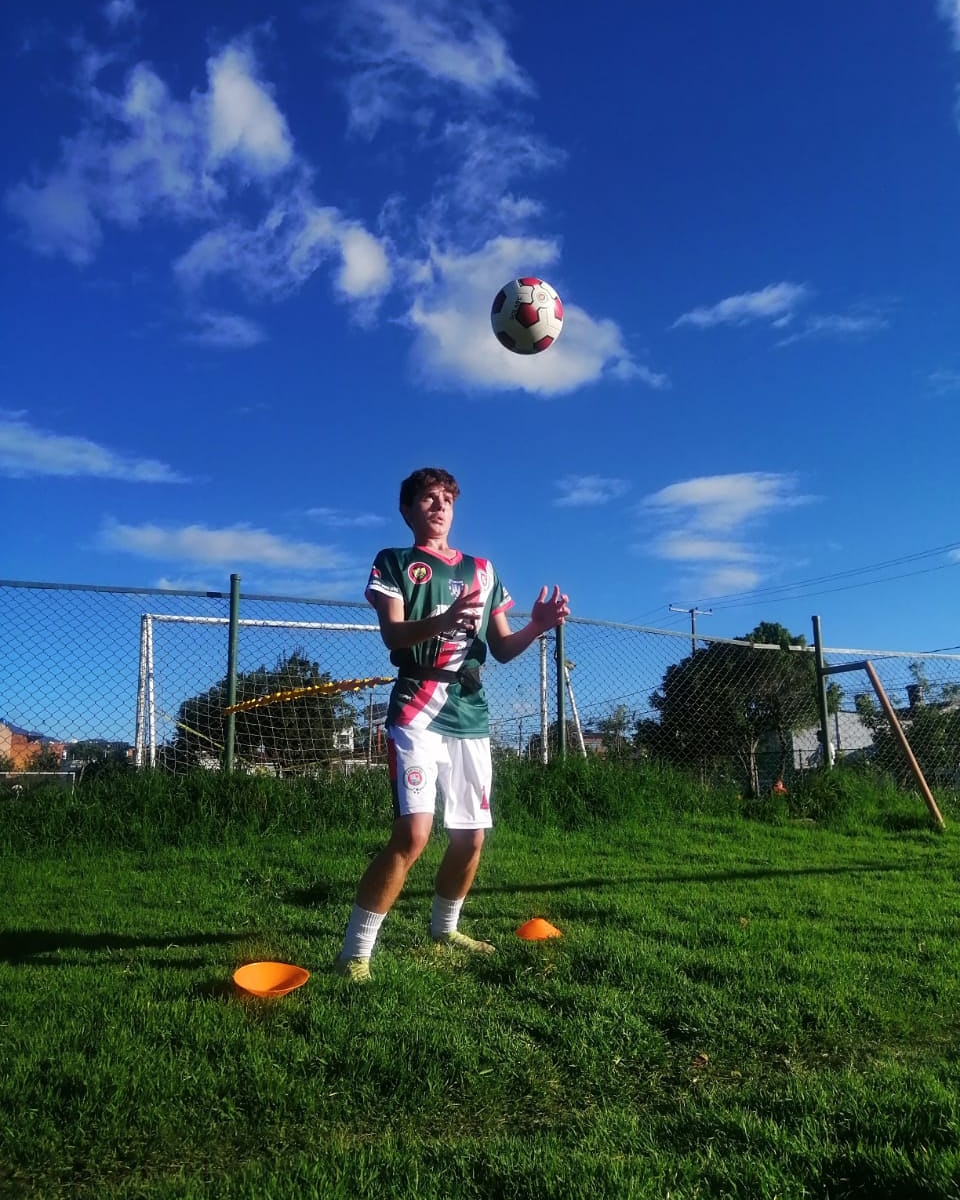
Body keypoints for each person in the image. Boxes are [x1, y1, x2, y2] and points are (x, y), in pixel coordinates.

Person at [335, 466, 570, 982]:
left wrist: (538, 624)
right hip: (416, 708)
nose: (438, 506)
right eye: (426, 498)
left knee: (471, 837)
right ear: (407, 510)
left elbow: (504, 649)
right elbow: (394, 636)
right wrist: (442, 622)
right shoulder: (393, 562)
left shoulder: (483, 570)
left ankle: (444, 929)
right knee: (413, 835)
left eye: (446, 498)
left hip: (469, 713)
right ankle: (355, 954)